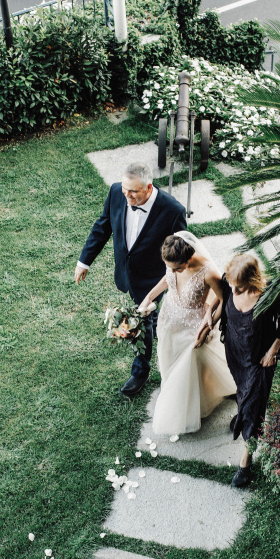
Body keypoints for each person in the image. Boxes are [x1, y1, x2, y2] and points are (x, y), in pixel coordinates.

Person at [75, 163, 187, 397]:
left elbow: (180, 256)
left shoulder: (173, 210)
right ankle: (155, 323)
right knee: (149, 319)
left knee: (143, 321)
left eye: (133, 192)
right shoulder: (117, 191)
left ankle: (140, 372)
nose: (127, 196)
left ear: (149, 187)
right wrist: (84, 261)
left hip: (153, 279)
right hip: (126, 272)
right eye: (125, 190)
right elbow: (103, 225)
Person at [206, 254, 280, 488]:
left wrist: (273, 349)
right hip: (235, 352)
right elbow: (222, 296)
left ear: (252, 280)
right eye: (232, 285)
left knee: (255, 406)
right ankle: (243, 414)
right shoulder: (230, 282)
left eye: (239, 287)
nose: (233, 290)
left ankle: (246, 460)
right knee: (243, 390)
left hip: (259, 359)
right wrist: (209, 317)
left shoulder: (269, 295)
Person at [137, 233, 236, 435]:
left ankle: (186, 407)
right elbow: (167, 279)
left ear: (188, 259)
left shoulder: (208, 272)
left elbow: (224, 300)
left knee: (188, 367)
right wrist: (148, 297)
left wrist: (207, 326)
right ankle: (173, 393)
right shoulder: (173, 263)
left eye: (177, 268)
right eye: (170, 267)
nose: (173, 271)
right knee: (168, 358)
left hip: (192, 326)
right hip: (168, 318)